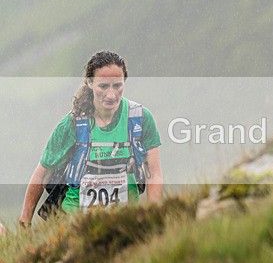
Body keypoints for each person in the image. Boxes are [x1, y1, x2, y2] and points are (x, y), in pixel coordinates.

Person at [17, 51, 163, 228]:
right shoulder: (71, 125)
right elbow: (43, 173)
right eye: (103, 86)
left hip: (125, 220)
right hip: (73, 222)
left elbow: (154, 174)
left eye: (117, 86)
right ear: (89, 82)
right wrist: (25, 222)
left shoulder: (140, 118)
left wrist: (155, 216)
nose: (111, 95)